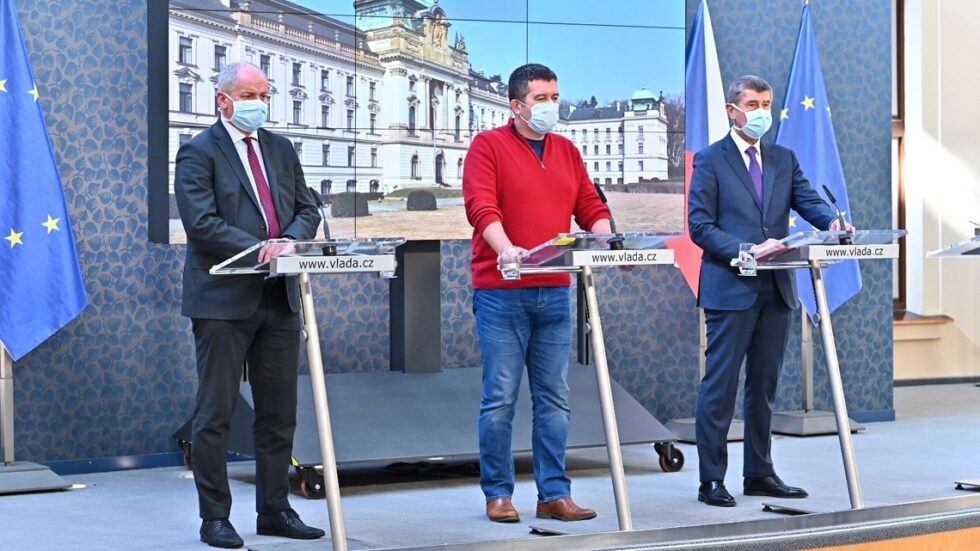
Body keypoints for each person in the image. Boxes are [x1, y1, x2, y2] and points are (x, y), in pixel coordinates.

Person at [175, 61, 324, 548]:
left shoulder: (281, 148)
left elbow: (308, 208)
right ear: (223, 100)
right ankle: (215, 518)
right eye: (248, 95)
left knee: (279, 414)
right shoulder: (198, 151)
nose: (259, 103)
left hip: (279, 298)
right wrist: (262, 248)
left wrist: (289, 242)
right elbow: (202, 223)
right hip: (223, 300)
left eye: (264, 94)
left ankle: (275, 510)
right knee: (214, 414)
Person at [688, 75, 852, 508]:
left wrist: (832, 222)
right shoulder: (710, 160)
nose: (761, 112)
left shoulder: (783, 157)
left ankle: (759, 473)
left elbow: (808, 200)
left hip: (777, 288)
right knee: (720, 387)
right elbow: (700, 227)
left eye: (766, 104)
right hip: (731, 287)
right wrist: (745, 250)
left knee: (763, 386)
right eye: (752, 105)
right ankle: (711, 480)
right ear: (732, 111)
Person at [463, 63, 611, 523]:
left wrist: (608, 239)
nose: (551, 106)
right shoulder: (487, 146)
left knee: (555, 398)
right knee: (500, 397)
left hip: (555, 291)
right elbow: (481, 206)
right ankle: (498, 493)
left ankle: (553, 494)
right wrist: (506, 249)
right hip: (502, 293)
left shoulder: (567, 150)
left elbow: (589, 205)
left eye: (555, 97)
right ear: (517, 105)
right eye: (541, 99)